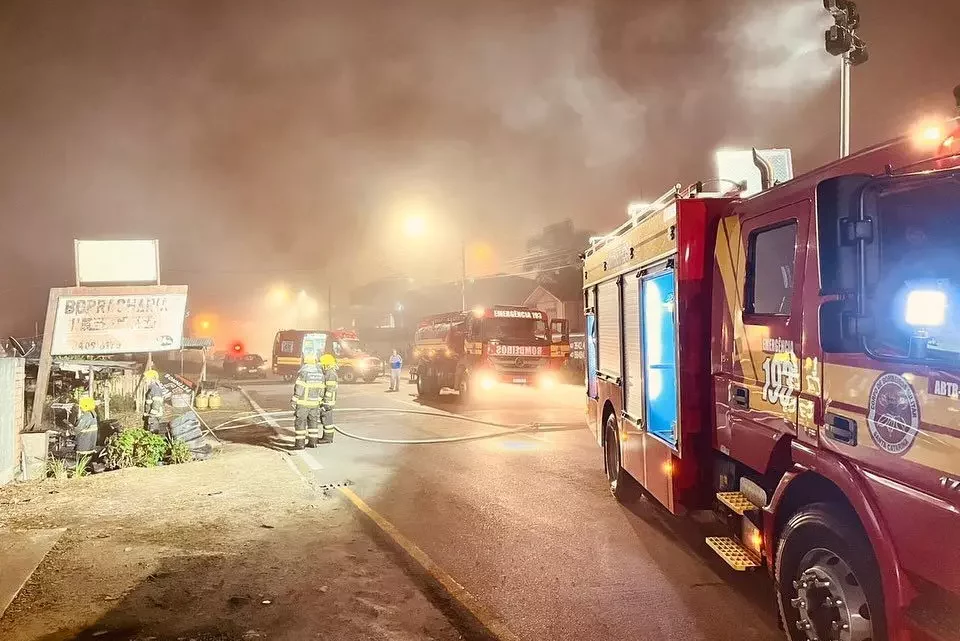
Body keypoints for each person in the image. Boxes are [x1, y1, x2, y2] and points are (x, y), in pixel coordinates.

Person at [291, 353, 325, 449]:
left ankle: (300, 444)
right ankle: (313, 442)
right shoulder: (320, 374)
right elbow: (322, 389)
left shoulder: (304, 373)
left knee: (300, 423)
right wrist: (319, 400)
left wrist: (294, 399)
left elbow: (299, 387)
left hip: (303, 403)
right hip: (315, 404)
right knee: (313, 422)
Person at [318, 353, 339, 444]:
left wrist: (326, 402)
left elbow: (330, 389)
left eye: (322, 364)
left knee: (327, 419)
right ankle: (326, 436)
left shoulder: (330, 374)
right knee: (325, 418)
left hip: (328, 402)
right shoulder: (329, 372)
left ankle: (328, 438)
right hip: (328, 401)